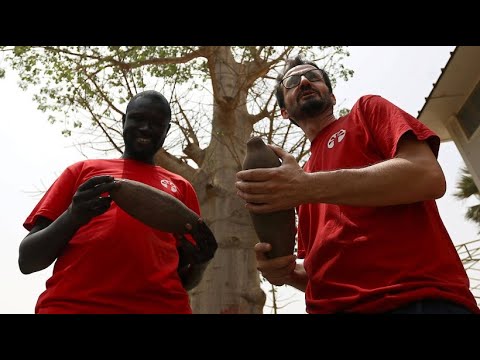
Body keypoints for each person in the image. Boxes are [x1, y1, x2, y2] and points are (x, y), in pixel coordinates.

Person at [235, 56, 480, 314]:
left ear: (332, 97)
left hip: (415, 298)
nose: (305, 81)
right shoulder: (298, 181)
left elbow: (427, 176)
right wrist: (283, 273)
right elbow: (318, 273)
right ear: (284, 112)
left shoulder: (365, 112)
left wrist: (307, 185)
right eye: (292, 82)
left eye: (314, 76)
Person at [20, 90, 217, 314]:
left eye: (156, 122)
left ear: (167, 130)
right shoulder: (83, 172)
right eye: (138, 119)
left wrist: (201, 264)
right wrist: (73, 215)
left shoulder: (181, 187)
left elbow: (182, 279)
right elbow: (27, 261)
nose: (145, 128)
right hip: (73, 306)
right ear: (124, 121)